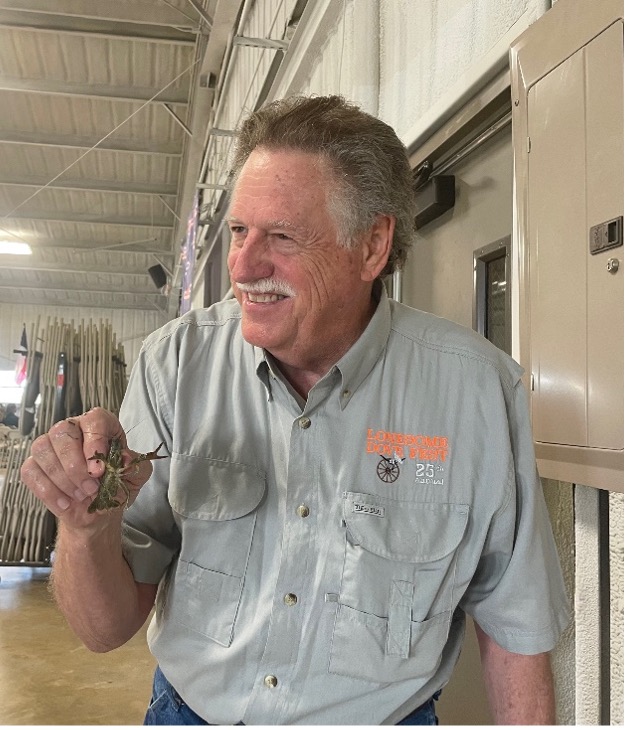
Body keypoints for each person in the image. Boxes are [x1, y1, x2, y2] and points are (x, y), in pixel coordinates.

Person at [21, 95, 569, 726]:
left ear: (372, 246)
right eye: (237, 231)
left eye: (281, 236)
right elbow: (102, 630)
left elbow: (516, 629)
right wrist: (85, 528)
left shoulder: (475, 391)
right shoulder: (177, 364)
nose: (243, 266)